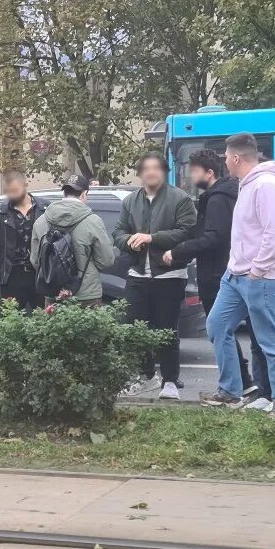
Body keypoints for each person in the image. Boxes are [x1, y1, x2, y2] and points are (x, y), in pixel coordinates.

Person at [203, 133, 275, 415]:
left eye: (227, 157)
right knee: (217, 326)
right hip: (236, 275)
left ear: (237, 158)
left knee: (270, 340)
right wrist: (236, 268)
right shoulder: (246, 184)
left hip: (261, 276)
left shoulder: (265, 185)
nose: (225, 162)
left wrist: (257, 269)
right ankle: (231, 390)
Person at [163, 148, 255, 400]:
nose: (192, 178)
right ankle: (245, 384)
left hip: (217, 273)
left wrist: (179, 250)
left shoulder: (217, 198)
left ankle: (237, 386)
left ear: (210, 172)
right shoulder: (225, 194)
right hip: (226, 270)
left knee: (219, 330)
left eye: (195, 172)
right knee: (225, 330)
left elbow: (214, 237)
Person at [111, 152, 196, 400]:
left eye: (155, 168)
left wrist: (152, 238)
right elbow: (118, 231)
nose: (150, 172)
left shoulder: (180, 198)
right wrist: (128, 241)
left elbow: (187, 232)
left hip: (170, 275)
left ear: (164, 171)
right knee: (138, 329)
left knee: (167, 330)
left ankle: (170, 381)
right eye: (145, 168)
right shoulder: (131, 201)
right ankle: (146, 376)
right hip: (137, 273)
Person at [31, 174, 114, 307]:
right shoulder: (93, 221)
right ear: (84, 194)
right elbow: (106, 260)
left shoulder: (41, 221)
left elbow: (35, 261)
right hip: (87, 295)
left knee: (55, 328)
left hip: (53, 295)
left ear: (64, 193)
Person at [0, 170, 46, 313]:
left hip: (40, 275)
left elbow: (57, 245)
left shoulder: (45, 209)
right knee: (12, 322)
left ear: (25, 185)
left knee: (46, 321)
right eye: (8, 192)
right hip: (12, 276)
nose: (11, 195)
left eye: (15, 191)